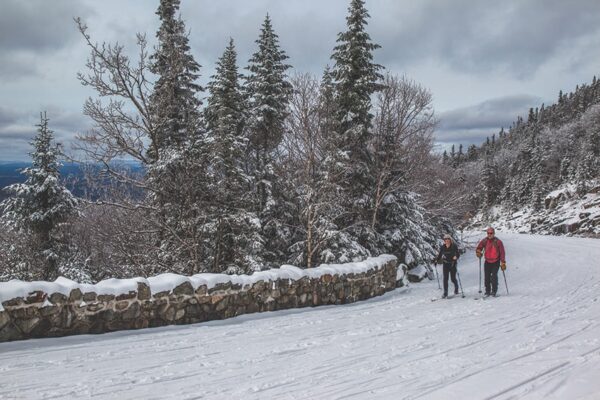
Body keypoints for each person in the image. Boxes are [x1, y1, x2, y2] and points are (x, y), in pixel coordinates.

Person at [476, 227, 506, 297]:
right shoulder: (484, 241)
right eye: (488, 233)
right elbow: (479, 247)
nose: (489, 234)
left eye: (491, 233)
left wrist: (503, 262)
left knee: (494, 276)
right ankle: (487, 291)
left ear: (494, 233)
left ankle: (494, 291)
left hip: (496, 261)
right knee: (487, 277)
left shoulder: (498, 241)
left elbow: (502, 252)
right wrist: (478, 252)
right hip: (487, 261)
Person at [435, 234, 460, 298]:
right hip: (445, 264)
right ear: (444, 241)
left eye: (448, 239)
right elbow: (440, 255)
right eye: (445, 239)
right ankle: (445, 293)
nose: (447, 241)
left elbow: (458, 254)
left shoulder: (454, 246)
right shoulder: (443, 247)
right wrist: (436, 260)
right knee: (445, 279)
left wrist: (456, 257)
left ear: (450, 240)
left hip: (452, 264)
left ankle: (456, 287)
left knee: (453, 278)